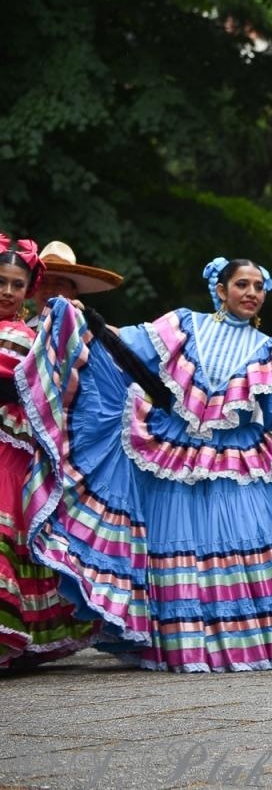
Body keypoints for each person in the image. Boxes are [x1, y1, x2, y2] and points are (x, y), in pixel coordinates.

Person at [22, 257, 272, 671]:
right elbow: (125, 346)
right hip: (175, 451)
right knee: (175, 544)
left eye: (258, 286)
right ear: (220, 289)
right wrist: (82, 319)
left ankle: (247, 645)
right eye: (242, 284)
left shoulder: (269, 349)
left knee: (245, 536)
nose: (251, 293)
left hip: (234, 457)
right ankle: (182, 645)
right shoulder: (183, 326)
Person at [0, 236, 95, 669]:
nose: (7, 291)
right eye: (1, 282)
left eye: (16, 285)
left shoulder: (31, 339)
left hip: (11, 453)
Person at [32, 241, 123, 312]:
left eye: (59, 284)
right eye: (43, 283)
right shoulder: (20, 332)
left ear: (73, 292)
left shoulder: (86, 331)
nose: (49, 290)